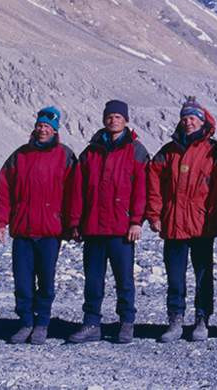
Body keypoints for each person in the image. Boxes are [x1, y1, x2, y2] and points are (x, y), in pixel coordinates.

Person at [145, 97, 217, 343]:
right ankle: (175, 320)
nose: (188, 122)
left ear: (202, 121)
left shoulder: (214, 151)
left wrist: (215, 215)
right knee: (175, 275)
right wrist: (154, 214)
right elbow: (153, 183)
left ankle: (202, 319)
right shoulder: (168, 151)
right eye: (185, 118)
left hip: (201, 224)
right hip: (173, 223)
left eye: (193, 118)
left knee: (203, 274)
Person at [65, 100, 149, 344]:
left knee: (124, 279)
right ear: (104, 119)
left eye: (118, 117)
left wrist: (136, 221)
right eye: (110, 116)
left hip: (121, 229)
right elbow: (78, 190)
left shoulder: (136, 150)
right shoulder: (90, 152)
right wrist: (75, 222)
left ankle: (126, 322)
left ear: (126, 120)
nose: (114, 120)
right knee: (93, 279)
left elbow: (141, 189)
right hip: (92, 227)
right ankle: (91, 323)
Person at [0, 106, 76, 345]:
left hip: (50, 231)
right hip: (23, 229)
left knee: (46, 279)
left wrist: (72, 224)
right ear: (35, 127)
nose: (42, 130)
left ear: (55, 130)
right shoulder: (19, 156)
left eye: (48, 127)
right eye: (40, 125)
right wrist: (1, 221)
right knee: (22, 279)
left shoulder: (66, 156)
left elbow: (74, 193)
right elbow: (4, 190)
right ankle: (26, 321)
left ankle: (42, 323)